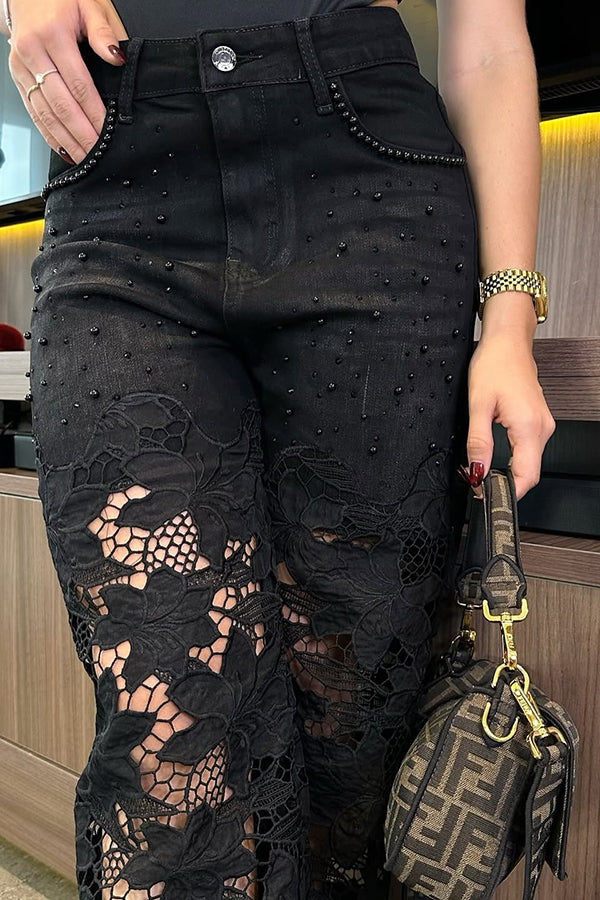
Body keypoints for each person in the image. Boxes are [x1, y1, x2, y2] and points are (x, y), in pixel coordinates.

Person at [1, 0, 556, 897]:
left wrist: (510, 321)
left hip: (371, 196)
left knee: (356, 729)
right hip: (121, 192)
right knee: (165, 734)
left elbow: (489, 44)